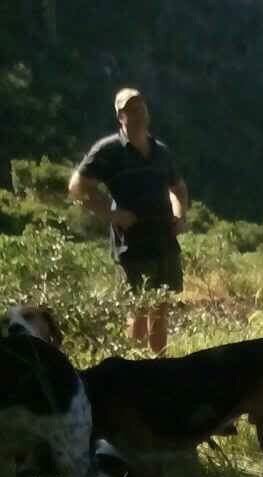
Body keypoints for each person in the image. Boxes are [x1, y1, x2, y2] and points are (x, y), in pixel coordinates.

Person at [69, 88, 189, 355]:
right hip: (131, 243)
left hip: (164, 240)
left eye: (141, 108)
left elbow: (178, 188)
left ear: (147, 113)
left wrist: (180, 216)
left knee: (161, 308)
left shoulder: (161, 152)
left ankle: (159, 367)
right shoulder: (108, 151)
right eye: (130, 110)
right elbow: (78, 188)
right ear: (120, 116)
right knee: (138, 309)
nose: (137, 114)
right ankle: (133, 371)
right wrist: (111, 215)